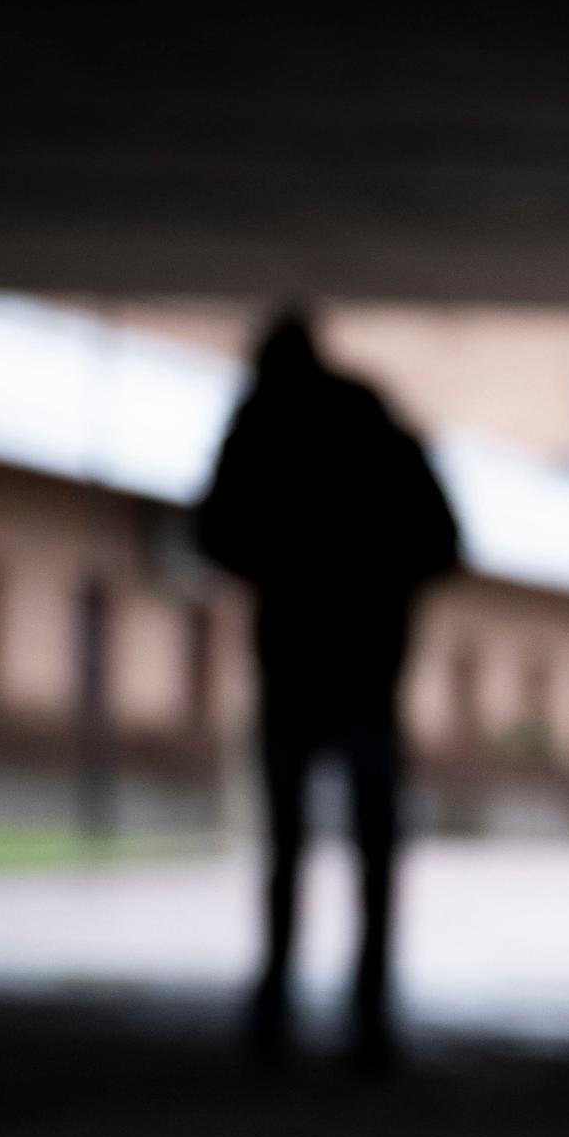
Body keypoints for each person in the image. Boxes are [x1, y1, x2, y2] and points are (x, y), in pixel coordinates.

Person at [191, 309, 462, 1070]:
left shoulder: (262, 429)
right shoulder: (379, 429)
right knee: (369, 843)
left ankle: (282, 1004)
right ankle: (366, 1009)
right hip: (364, 663)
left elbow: (213, 532)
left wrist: (292, 568)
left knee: (290, 841)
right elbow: (444, 543)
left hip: (303, 661)